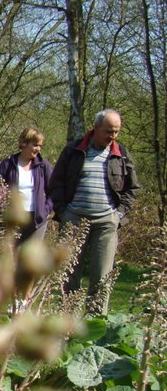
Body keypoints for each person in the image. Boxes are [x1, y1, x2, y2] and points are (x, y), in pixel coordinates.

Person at [48, 109, 139, 313]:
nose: (112, 136)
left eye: (116, 132)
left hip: (106, 223)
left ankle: (95, 329)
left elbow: (132, 189)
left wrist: (119, 215)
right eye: (108, 131)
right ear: (96, 128)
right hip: (73, 219)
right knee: (68, 275)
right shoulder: (73, 150)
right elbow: (56, 184)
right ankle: (65, 324)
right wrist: (63, 212)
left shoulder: (121, 154)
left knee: (101, 278)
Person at [0, 128, 53, 243]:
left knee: (31, 259)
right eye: (35, 145)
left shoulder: (43, 165)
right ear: (24, 143)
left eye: (40, 146)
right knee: (12, 257)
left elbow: (53, 191)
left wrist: (45, 209)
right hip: (13, 220)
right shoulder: (8, 164)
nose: (38, 149)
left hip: (36, 221)